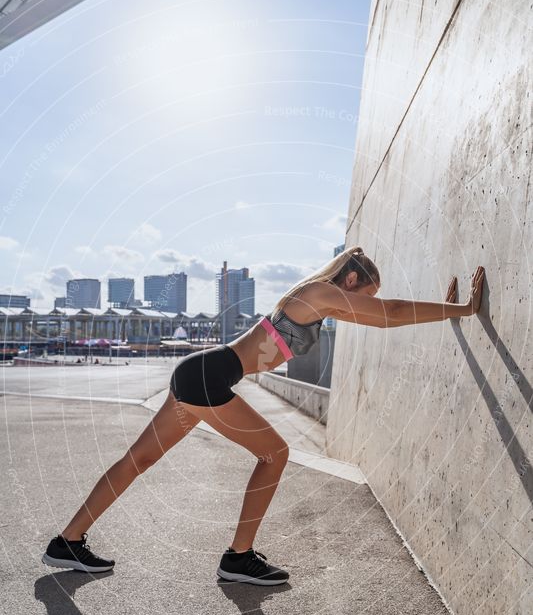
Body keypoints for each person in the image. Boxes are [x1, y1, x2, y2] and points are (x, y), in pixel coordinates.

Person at [42, 246, 485, 585]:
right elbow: (392, 313)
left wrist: (444, 310)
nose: (363, 305)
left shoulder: (319, 296)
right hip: (209, 377)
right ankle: (239, 557)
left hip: (203, 373)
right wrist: (461, 309)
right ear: (350, 278)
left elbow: (386, 311)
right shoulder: (321, 293)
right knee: (275, 453)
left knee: (139, 460)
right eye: (364, 295)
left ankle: (67, 542)